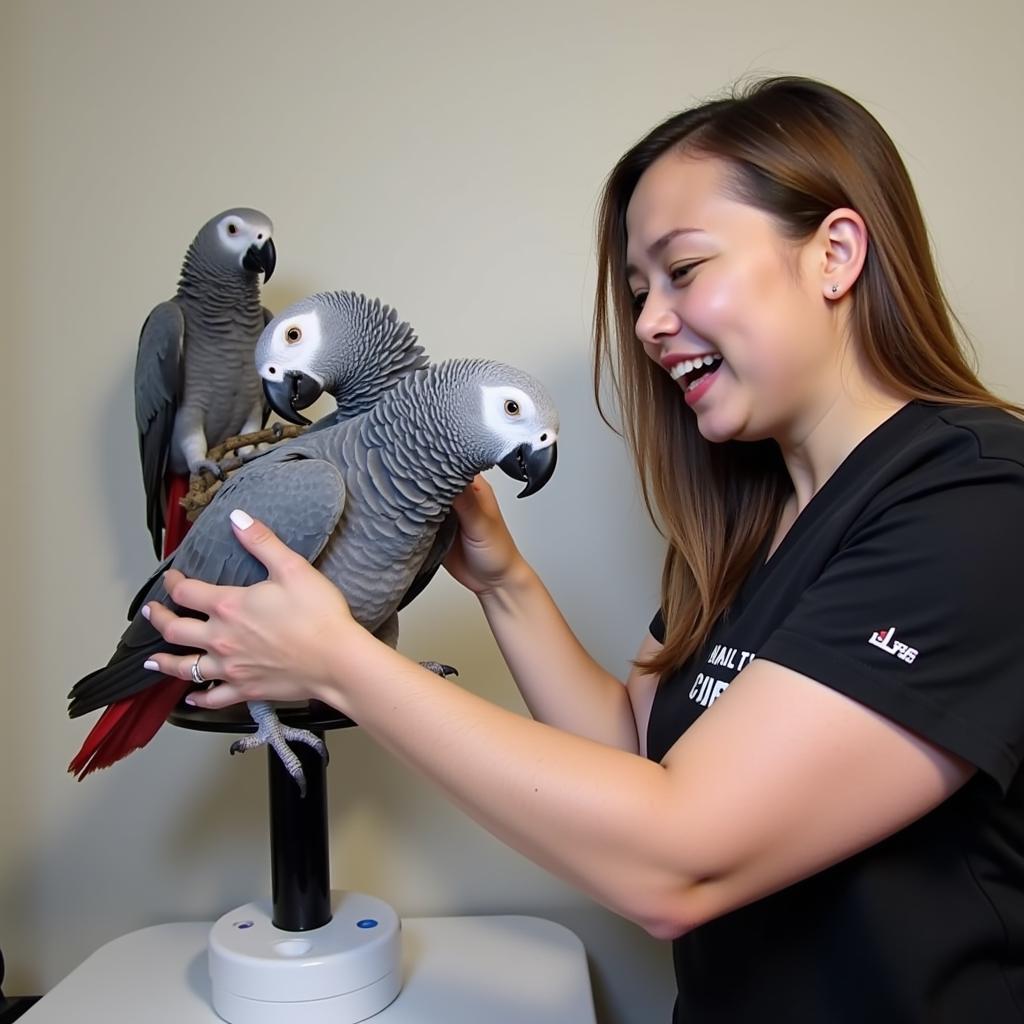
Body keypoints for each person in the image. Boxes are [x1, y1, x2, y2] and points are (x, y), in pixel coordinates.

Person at [141, 77, 1024, 1021]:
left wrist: (342, 665)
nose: (645, 323)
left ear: (836, 254)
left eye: (682, 270)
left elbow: (676, 859)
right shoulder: (742, 518)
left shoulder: (979, 502)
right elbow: (636, 755)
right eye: (639, 290)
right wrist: (504, 582)